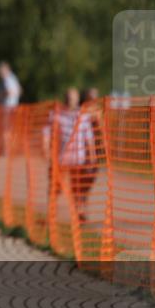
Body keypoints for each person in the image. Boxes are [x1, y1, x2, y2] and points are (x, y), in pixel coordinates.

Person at [43, 88, 96, 224]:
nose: (70, 101)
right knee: (55, 187)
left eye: (73, 98)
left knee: (78, 189)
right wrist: (46, 150)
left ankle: (80, 214)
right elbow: (47, 133)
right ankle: (51, 214)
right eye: (68, 97)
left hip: (79, 159)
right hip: (61, 159)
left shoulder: (83, 116)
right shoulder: (56, 114)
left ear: (78, 99)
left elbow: (89, 139)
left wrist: (92, 157)